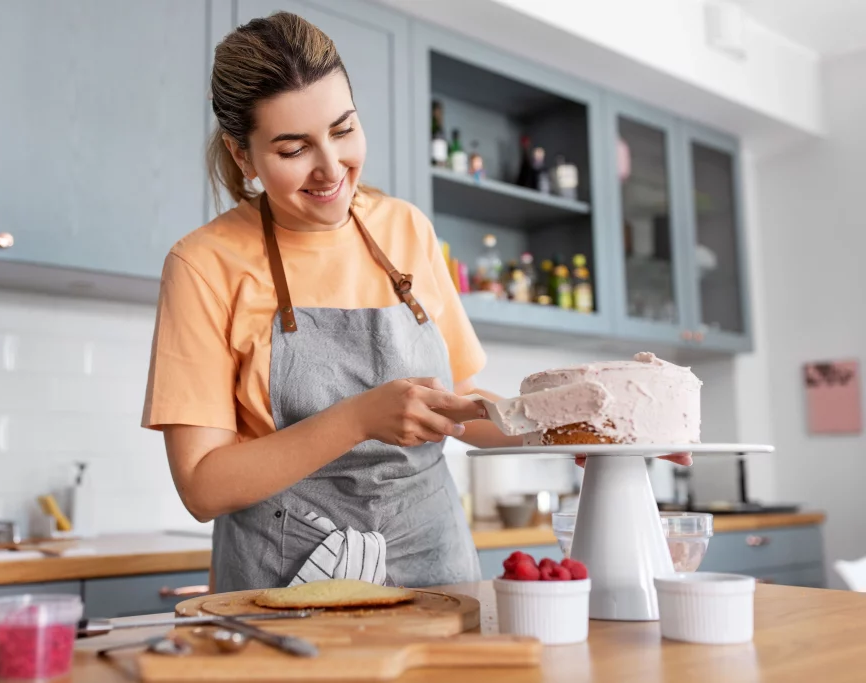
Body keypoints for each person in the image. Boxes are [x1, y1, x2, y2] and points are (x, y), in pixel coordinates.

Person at [142, 12, 687, 593]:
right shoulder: (203, 264)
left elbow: (457, 404)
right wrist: (358, 419)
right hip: (285, 594)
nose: (331, 168)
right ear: (244, 156)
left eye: (344, 129)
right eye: (294, 148)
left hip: (436, 579)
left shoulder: (405, 229)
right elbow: (202, 485)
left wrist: (583, 425)